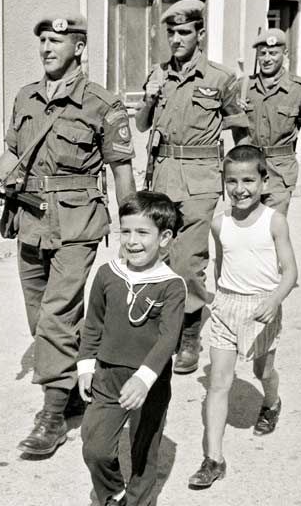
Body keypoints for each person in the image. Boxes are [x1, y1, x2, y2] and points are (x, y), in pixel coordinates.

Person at [0, 14, 136, 456]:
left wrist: (131, 228)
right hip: (28, 218)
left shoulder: (103, 104)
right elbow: (13, 151)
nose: (47, 48)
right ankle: (72, 382)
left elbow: (121, 171)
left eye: (57, 41)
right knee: (39, 314)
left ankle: (52, 416)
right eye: (43, 40)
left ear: (79, 48)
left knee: (57, 312)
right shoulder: (26, 96)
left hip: (77, 222)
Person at [134, 0, 249, 375]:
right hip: (163, 174)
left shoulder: (221, 79)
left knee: (187, 261)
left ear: (200, 34)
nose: (177, 39)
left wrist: (241, 182)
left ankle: (188, 336)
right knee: (156, 256)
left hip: (201, 179)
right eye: (171, 32)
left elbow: (240, 132)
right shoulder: (158, 74)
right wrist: (149, 97)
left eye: (184, 32)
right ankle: (161, 329)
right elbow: (141, 125)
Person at [188, 145, 298, 489]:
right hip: (226, 308)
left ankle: (272, 401)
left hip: (263, 308)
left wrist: (275, 299)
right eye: (232, 181)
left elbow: (291, 271)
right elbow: (222, 263)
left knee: (262, 370)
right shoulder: (219, 223)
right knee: (219, 383)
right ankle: (214, 459)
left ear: (264, 182)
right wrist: (219, 299)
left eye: (249, 180)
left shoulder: (274, 221)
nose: (240, 188)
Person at [79, 192, 186, 506]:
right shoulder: (107, 274)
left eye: (142, 233)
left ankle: (140, 501)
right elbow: (93, 323)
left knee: (142, 453)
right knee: (95, 447)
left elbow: (168, 339)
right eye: (125, 231)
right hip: (108, 375)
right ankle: (114, 494)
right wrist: (85, 366)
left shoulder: (171, 284)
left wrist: (143, 378)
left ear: (164, 238)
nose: (132, 241)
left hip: (149, 382)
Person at [242, 28, 301, 216]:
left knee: (272, 229)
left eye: (273, 53)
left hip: (280, 172)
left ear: (285, 54)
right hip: (247, 168)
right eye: (262, 54)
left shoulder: (300, 89)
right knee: (245, 230)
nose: (267, 59)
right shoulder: (244, 87)